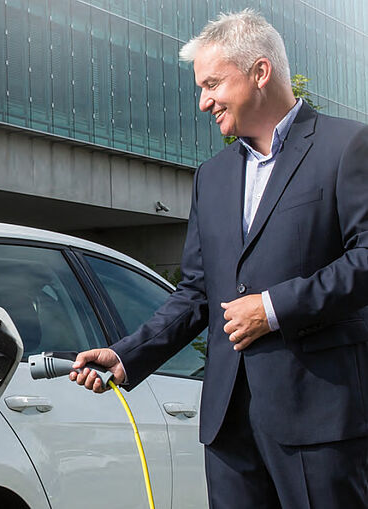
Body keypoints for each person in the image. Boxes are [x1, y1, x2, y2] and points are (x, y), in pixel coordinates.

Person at [70, 9, 368, 508]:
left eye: (212, 84)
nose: (203, 102)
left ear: (259, 72)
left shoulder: (347, 147)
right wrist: (127, 354)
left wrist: (272, 308)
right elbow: (194, 293)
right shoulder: (211, 176)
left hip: (319, 420)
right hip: (229, 429)